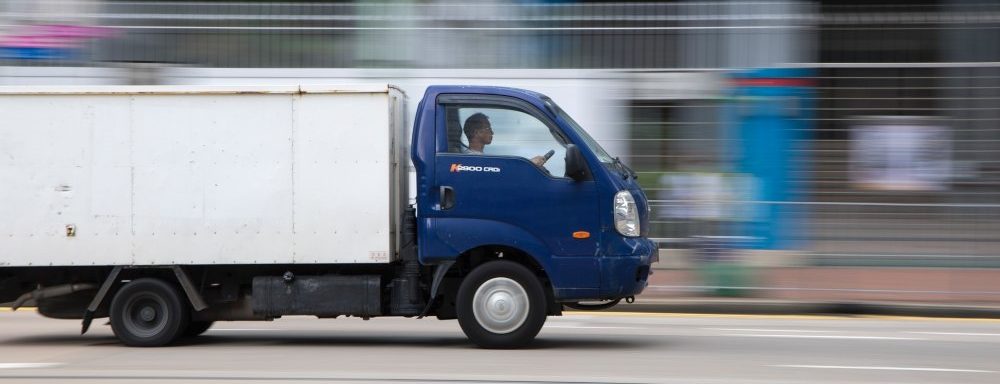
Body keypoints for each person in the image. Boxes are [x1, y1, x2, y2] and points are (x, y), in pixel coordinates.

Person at [462, 112, 547, 166]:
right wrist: (530, 165)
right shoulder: (472, 160)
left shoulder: (475, 157)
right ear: (477, 133)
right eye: (488, 129)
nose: (492, 133)